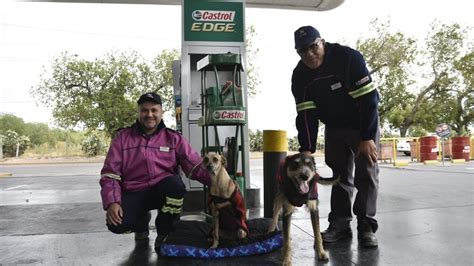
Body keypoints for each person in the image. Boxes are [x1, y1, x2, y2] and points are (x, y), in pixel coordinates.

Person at [291, 26, 380, 248]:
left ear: (322, 42)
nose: (310, 54)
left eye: (313, 47)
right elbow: (305, 114)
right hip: (335, 127)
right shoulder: (300, 75)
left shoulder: (348, 58)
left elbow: (369, 99)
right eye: (303, 51)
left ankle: (366, 226)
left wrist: (368, 137)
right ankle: (340, 224)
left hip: (361, 124)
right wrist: (307, 148)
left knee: (366, 174)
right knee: (339, 176)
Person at [99, 92, 210, 253]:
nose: (149, 114)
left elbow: (194, 165)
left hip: (162, 191)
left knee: (176, 186)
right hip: (134, 191)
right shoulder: (122, 138)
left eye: (154, 110)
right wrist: (112, 202)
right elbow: (110, 174)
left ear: (161, 112)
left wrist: (220, 182)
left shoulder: (174, 138)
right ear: (138, 112)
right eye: (144, 110)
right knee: (117, 224)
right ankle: (141, 224)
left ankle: (164, 231)